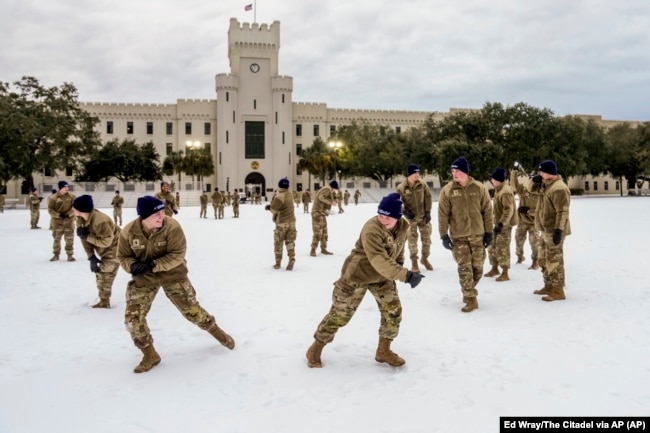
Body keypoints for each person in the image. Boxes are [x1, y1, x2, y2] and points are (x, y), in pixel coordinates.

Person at [117, 196, 236, 373]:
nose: (161, 216)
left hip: (173, 275)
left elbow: (177, 255)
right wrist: (132, 266)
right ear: (144, 216)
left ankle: (217, 332)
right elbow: (123, 256)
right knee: (132, 320)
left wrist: (152, 264)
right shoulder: (129, 231)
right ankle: (150, 354)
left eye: (163, 211)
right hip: (145, 279)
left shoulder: (172, 227)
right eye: (156, 214)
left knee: (192, 312)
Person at [306, 193, 424, 368]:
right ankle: (315, 348)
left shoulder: (402, 227)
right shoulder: (372, 228)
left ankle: (383, 350)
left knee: (393, 311)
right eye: (380, 215)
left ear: (398, 217)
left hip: (382, 276)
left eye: (388, 217)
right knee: (340, 315)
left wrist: (398, 265)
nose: (383, 220)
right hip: (357, 274)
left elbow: (398, 249)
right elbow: (378, 259)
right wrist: (404, 275)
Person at [438, 157, 493, 313]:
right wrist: (443, 235)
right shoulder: (447, 191)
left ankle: (468, 289)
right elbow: (443, 215)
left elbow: (488, 212)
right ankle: (470, 298)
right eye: (453, 171)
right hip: (459, 237)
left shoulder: (479, 188)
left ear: (466, 172)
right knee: (465, 268)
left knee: (478, 268)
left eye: (458, 171)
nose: (454, 174)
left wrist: (489, 232)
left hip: (478, 235)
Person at [73, 195, 120, 308]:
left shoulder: (100, 221)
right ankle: (104, 300)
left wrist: (87, 236)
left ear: (81, 209)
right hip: (106, 249)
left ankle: (104, 302)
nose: (72, 209)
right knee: (103, 274)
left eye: (74, 207)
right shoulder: (80, 219)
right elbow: (84, 239)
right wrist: (91, 256)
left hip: (116, 249)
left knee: (104, 274)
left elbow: (106, 242)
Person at [533, 160, 571, 302]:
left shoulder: (559, 188)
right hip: (544, 230)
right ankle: (548, 285)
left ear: (549, 173)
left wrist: (558, 230)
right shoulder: (547, 185)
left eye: (541, 171)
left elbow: (562, 211)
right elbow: (530, 190)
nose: (540, 174)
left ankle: (558, 290)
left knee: (554, 261)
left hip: (553, 230)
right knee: (543, 259)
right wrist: (537, 182)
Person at [396, 163, 433, 272]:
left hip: (423, 217)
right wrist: (405, 212)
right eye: (415, 173)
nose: (417, 175)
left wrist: (428, 212)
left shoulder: (422, 184)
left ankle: (424, 259)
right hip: (410, 219)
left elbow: (428, 197)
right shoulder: (401, 187)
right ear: (409, 174)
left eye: (418, 172)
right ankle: (414, 263)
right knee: (412, 241)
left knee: (427, 240)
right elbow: (398, 203)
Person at [483, 168, 518, 282]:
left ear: (498, 179)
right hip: (497, 223)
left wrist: (502, 224)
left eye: (493, 179)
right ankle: (494, 268)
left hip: (504, 225)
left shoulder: (506, 191)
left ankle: (505, 272)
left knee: (502, 247)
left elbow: (509, 210)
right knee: (492, 246)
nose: (491, 181)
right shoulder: (499, 189)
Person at [510, 166, 542, 269]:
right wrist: (514, 172)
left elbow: (541, 211)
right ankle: (520, 257)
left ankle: (535, 261)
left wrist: (528, 211)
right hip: (522, 221)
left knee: (534, 241)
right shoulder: (524, 191)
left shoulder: (542, 194)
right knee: (518, 239)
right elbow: (514, 185)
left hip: (534, 222)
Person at [268, 178, 297, 270]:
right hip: (292, 221)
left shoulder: (279, 196)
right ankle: (291, 257)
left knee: (278, 243)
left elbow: (273, 210)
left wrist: (269, 206)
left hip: (282, 222)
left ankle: (278, 263)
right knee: (290, 241)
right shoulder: (290, 194)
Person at [48, 180, 76, 262]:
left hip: (69, 221)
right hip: (57, 223)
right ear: (60, 188)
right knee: (56, 239)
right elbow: (50, 210)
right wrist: (58, 215)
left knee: (69, 239)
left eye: (67, 187)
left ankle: (70, 255)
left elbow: (76, 207)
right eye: (65, 187)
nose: (67, 188)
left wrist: (69, 214)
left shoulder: (72, 196)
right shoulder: (53, 198)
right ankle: (56, 255)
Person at [310, 180, 338, 256]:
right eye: (336, 189)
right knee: (318, 232)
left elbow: (324, 204)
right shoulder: (327, 189)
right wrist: (331, 202)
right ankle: (313, 249)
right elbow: (321, 197)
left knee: (325, 232)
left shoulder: (329, 191)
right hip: (317, 213)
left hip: (322, 213)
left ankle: (323, 248)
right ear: (334, 187)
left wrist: (328, 212)